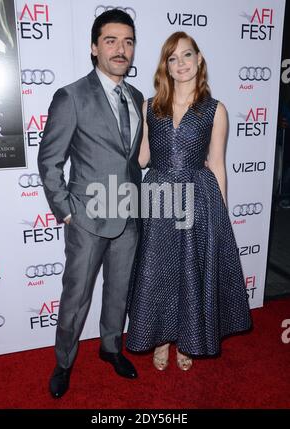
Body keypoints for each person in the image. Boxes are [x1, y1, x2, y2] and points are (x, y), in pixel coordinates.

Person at [126, 31, 252, 371]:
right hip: (159, 197)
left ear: (199, 60)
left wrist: (220, 217)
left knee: (190, 272)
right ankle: (162, 339)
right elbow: (142, 159)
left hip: (199, 197)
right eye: (172, 58)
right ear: (165, 66)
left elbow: (218, 165)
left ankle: (186, 340)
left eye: (186, 55)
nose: (180, 63)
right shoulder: (150, 106)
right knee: (159, 272)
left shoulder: (215, 110)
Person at [38, 9, 143, 398]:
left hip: (129, 216)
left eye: (128, 41)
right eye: (112, 40)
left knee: (119, 290)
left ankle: (111, 348)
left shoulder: (135, 96)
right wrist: (65, 210)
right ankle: (64, 362)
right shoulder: (71, 96)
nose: (121, 49)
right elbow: (50, 160)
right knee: (76, 297)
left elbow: (134, 158)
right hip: (87, 217)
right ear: (94, 48)